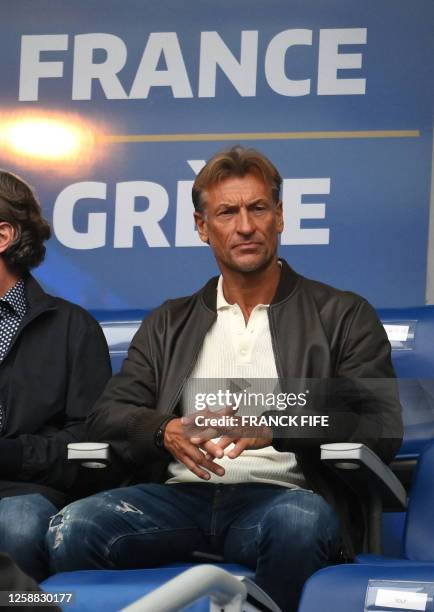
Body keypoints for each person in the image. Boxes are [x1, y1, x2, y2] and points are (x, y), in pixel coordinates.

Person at [47, 147, 402, 611]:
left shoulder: (342, 314)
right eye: (227, 212)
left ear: (280, 217)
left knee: (299, 522)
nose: (245, 226)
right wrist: (164, 430)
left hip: (283, 498)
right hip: (178, 500)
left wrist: (276, 427)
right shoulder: (169, 322)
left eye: (258, 208)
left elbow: (379, 423)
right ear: (202, 227)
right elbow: (106, 417)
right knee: (73, 527)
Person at [0, 170, 111, 582]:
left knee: (18, 523)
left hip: (25, 493)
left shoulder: (73, 328)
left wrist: (12, 454)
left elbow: (93, 449)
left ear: (3, 236)